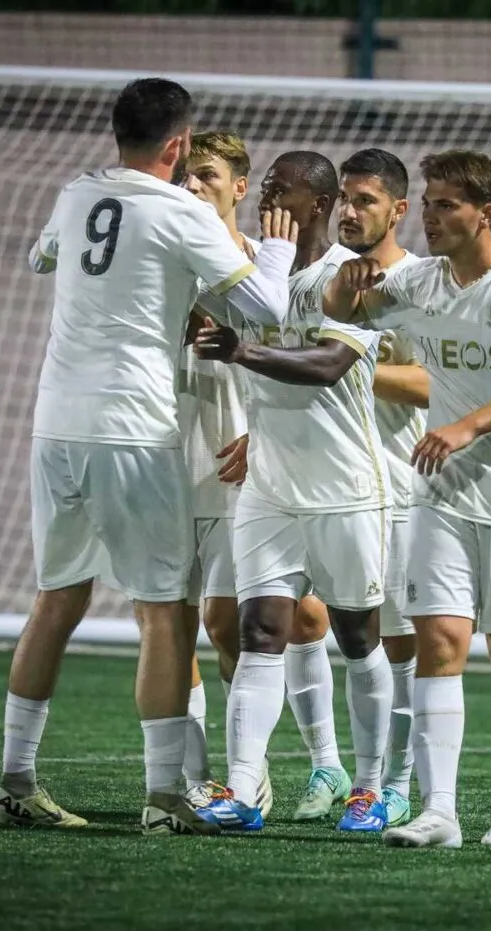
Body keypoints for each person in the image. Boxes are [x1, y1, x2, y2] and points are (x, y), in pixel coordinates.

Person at [0, 78, 296, 837]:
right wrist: (279, 255)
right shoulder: (182, 211)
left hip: (56, 424)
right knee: (165, 612)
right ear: (177, 146)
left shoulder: (75, 193)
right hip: (134, 426)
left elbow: (40, 258)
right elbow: (265, 310)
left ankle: (15, 782)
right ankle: (165, 799)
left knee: (57, 599)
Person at [323, 149, 491, 849]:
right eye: (427, 204)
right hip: (439, 491)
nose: (430, 217)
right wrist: (347, 283)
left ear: (485, 214)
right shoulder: (419, 281)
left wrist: (465, 423)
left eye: (445, 205)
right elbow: (344, 311)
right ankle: (439, 810)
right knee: (439, 642)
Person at [192, 151, 393, 834]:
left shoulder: (351, 277)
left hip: (344, 490)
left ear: (322, 204)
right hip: (270, 489)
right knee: (260, 633)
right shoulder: (256, 277)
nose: (268, 198)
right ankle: (243, 790)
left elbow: (331, 365)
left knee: (359, 636)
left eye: (284, 190)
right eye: (266, 188)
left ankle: (369, 788)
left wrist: (241, 351)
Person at [178, 130, 333, 815]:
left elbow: (297, 365)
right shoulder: (160, 258)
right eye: (184, 175)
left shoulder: (267, 268)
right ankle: (202, 777)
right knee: (178, 622)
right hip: (172, 456)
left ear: (240, 189)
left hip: (247, 462)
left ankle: (308, 765)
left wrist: (262, 435)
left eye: (207, 176)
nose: (191, 186)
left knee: (274, 618)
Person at [284, 147, 429, 828]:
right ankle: (326, 763)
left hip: (400, 487)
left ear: (399, 210)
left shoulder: (423, 285)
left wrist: (352, 357)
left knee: (395, 641)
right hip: (320, 480)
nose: (350, 209)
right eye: (344, 197)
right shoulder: (319, 277)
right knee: (301, 616)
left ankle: (393, 782)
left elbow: (437, 382)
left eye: (366, 200)